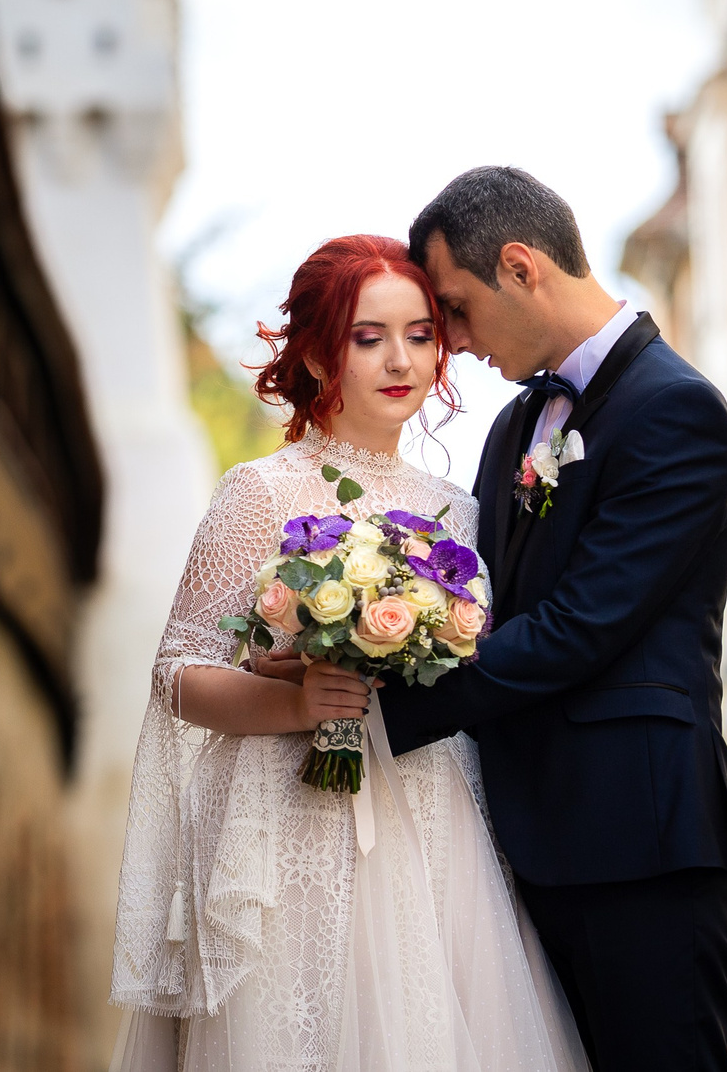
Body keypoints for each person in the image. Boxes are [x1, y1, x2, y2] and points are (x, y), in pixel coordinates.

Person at [109, 233, 587, 1072]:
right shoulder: (259, 491)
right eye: (369, 336)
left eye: (420, 334)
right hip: (293, 828)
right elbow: (176, 672)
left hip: (436, 822)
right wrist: (294, 703)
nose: (399, 358)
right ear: (322, 352)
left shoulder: (462, 511)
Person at [375, 167, 727, 1070]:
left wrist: (380, 707)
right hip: (522, 844)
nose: (452, 344)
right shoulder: (513, 429)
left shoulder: (678, 410)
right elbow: (480, 605)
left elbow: (584, 624)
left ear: (520, 266)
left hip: (641, 848)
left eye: (457, 310)